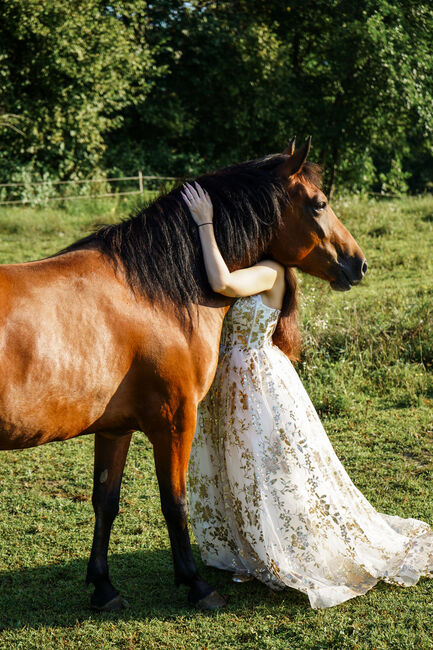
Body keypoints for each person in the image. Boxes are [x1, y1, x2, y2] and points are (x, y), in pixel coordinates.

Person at [181, 181, 433, 609]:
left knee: (266, 465)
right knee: (240, 468)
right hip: (234, 383)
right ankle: (254, 543)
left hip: (254, 383)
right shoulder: (258, 265)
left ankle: (281, 544)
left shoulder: (271, 271)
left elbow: (220, 281)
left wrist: (205, 222)